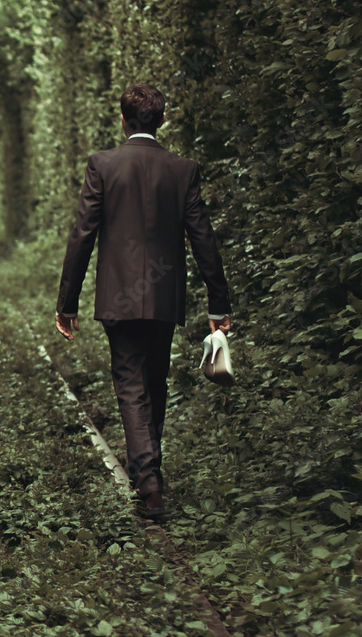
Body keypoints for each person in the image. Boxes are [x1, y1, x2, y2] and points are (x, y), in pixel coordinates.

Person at [54, 83, 233, 518]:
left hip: (118, 296)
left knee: (132, 386)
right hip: (163, 296)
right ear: (162, 120)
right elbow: (202, 237)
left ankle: (149, 483)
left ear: (123, 120)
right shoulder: (182, 169)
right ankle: (150, 471)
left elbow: (83, 235)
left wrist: (67, 302)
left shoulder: (103, 165)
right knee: (155, 383)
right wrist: (218, 303)